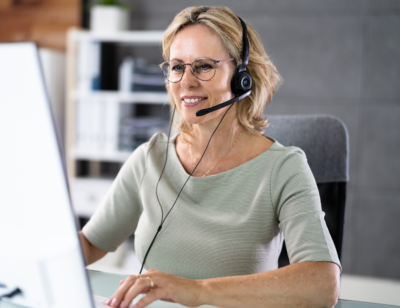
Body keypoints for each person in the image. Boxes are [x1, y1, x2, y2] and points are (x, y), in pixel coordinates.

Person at [78, 5, 341, 308]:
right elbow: (90, 243)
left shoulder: (283, 167)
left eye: (203, 66)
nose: (186, 81)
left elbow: (322, 283)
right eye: (177, 67)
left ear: (243, 76)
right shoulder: (150, 157)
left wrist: (197, 291)